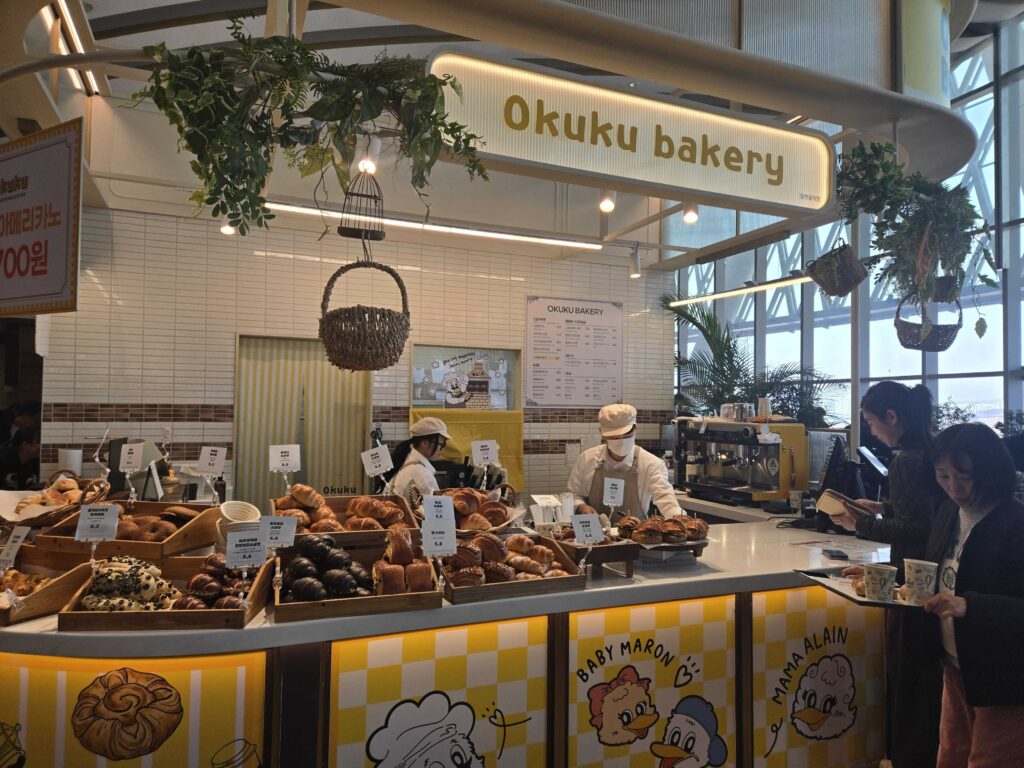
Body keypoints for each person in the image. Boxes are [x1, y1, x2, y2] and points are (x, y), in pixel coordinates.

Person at [835, 381, 942, 768]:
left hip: (913, 583)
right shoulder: (928, 449)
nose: (872, 431)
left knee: (909, 679)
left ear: (891, 417)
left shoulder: (906, 461)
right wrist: (880, 506)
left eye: (871, 423)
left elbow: (914, 529)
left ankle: (908, 757)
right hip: (933, 577)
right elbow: (924, 513)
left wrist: (857, 523)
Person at [920, 423, 1024, 768]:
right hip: (956, 665)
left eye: (963, 476)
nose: (954, 487)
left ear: (990, 472)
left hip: (1004, 677)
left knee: (991, 760)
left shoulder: (1016, 523)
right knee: (951, 755)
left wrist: (970, 606)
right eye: (942, 475)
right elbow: (941, 571)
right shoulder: (949, 513)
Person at [567, 403, 682, 521]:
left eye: (626, 435)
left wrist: (678, 518)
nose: (620, 441)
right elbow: (574, 494)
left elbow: (665, 497)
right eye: (614, 437)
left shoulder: (651, 464)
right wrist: (581, 506)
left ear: (635, 429)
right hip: (594, 533)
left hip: (636, 534)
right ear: (601, 432)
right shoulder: (587, 459)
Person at [383, 417, 452, 508]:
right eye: (441, 444)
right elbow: (439, 514)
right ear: (424, 443)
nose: (442, 449)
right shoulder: (422, 474)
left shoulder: (405, 460)